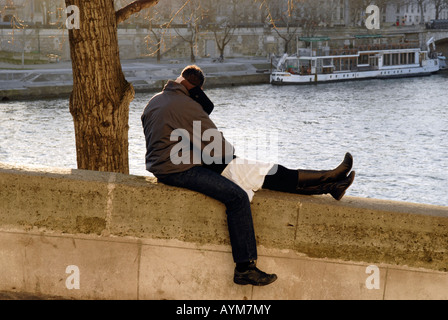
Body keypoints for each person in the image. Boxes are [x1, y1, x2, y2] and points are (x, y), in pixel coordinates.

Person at [141, 65, 355, 286]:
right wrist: (202, 110)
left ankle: (330, 184)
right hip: (180, 170)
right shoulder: (186, 106)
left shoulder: (155, 100)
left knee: (259, 173)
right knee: (237, 197)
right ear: (197, 89)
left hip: (168, 166)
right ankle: (244, 268)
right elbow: (222, 150)